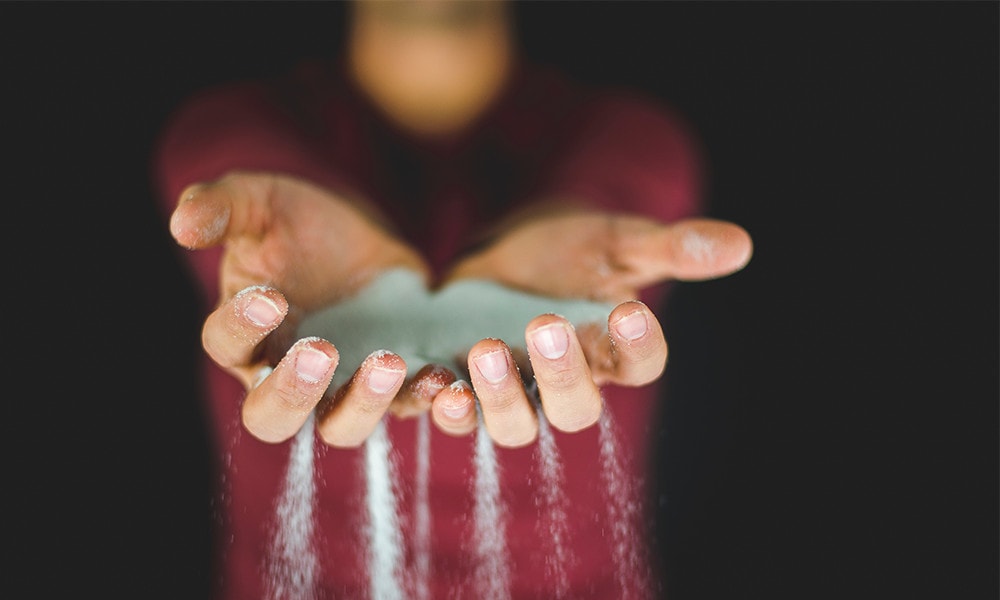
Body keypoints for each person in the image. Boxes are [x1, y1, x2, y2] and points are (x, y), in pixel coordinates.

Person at [154, 1, 753, 598]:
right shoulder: (230, 125)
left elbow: (618, 178)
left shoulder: (630, 133)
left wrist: (559, 226)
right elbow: (229, 169)